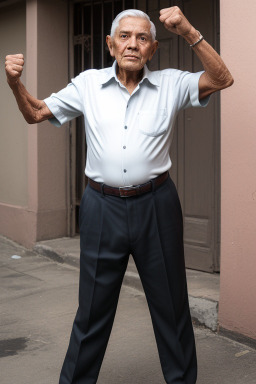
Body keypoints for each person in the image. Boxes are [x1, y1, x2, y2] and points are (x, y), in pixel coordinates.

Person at [5, 7, 233, 384]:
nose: (133, 44)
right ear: (110, 45)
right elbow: (36, 113)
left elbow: (222, 79)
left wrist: (189, 30)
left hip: (157, 205)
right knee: (92, 310)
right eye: (124, 37)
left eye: (142, 38)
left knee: (172, 308)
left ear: (153, 50)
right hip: (101, 207)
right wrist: (15, 84)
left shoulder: (172, 84)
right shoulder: (87, 85)